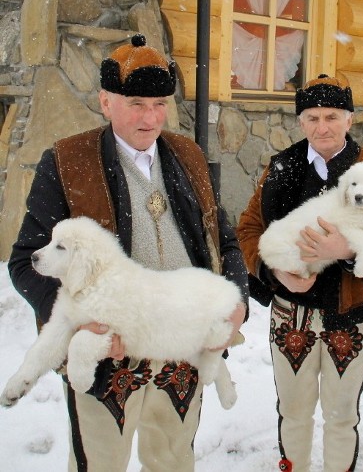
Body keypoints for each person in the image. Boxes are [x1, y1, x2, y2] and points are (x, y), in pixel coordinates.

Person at [8, 34, 249, 472]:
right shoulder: (67, 161)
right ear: (106, 101)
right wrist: (82, 323)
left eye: (160, 104)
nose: (151, 117)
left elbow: (224, 243)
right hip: (107, 360)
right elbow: (26, 262)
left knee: (173, 464)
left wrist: (238, 305)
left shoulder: (189, 156)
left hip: (180, 353)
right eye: (136, 103)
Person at [236, 74, 363, 472]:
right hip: (291, 312)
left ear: (349, 119)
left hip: (349, 310)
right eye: (312, 117)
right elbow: (248, 230)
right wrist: (276, 272)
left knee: (342, 415)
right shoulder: (282, 167)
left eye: (332, 116)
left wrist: (345, 249)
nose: (322, 126)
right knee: (293, 411)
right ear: (301, 122)